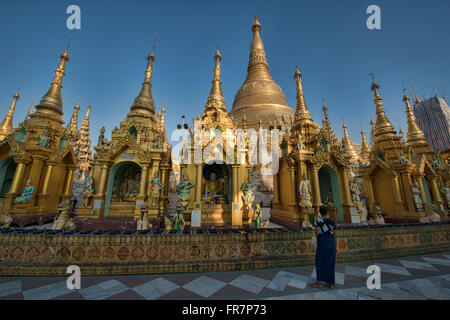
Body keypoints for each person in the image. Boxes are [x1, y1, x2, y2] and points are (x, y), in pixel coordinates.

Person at [309, 206, 337, 289]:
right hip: (331, 243)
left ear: (320, 212)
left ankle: (319, 283)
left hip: (323, 244)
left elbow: (317, 233)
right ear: (327, 212)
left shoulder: (318, 220)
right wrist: (335, 246)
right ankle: (331, 283)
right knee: (331, 263)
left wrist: (314, 230)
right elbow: (335, 235)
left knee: (320, 263)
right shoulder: (332, 222)